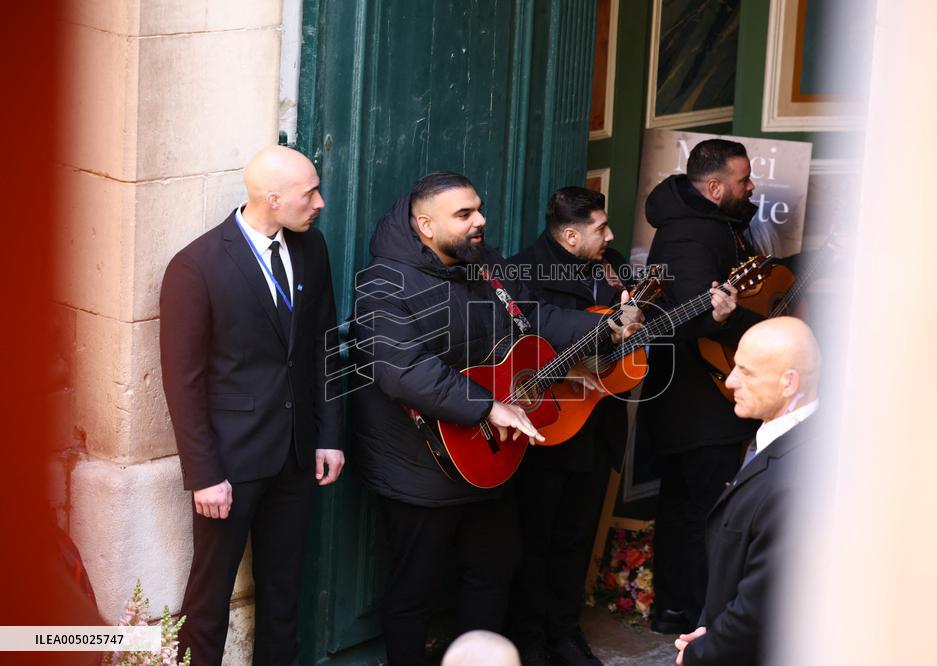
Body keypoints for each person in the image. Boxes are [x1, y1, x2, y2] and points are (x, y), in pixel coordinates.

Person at [348, 171, 641, 665]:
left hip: (488, 459)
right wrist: (486, 405)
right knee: (414, 586)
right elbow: (404, 370)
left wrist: (600, 327)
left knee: (494, 568)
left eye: (478, 208)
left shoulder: (484, 264)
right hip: (417, 461)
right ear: (424, 225)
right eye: (464, 215)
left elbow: (533, 316)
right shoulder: (383, 282)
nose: (480, 220)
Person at [160, 145, 345, 665]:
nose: (320, 203)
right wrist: (203, 473)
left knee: (284, 594)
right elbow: (183, 382)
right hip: (230, 465)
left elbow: (324, 345)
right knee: (210, 599)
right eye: (309, 193)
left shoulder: (313, 249)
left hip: (296, 455)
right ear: (273, 197)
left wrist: (329, 433)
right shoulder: (195, 266)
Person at [635, 138, 765, 634]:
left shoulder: (719, 224)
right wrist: (766, 328)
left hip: (700, 400)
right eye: (742, 180)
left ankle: (676, 612)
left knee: (686, 508)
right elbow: (693, 317)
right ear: (714, 188)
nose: (751, 187)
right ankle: (693, 619)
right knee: (701, 513)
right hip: (695, 402)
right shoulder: (689, 236)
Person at [504, 186, 631, 666]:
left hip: (597, 426)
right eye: (601, 227)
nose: (611, 235)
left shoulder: (612, 266)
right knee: (535, 540)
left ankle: (565, 633)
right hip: (548, 425)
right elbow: (519, 341)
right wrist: (586, 346)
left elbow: (638, 323)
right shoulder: (521, 272)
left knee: (576, 537)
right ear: (572, 235)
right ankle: (530, 640)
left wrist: (638, 324)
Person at [673, 317, 821, 666]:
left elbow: (762, 609)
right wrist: (710, 627)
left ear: (789, 382)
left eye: (747, 372)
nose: (731, 380)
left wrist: (700, 654)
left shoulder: (797, 479)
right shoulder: (779, 438)